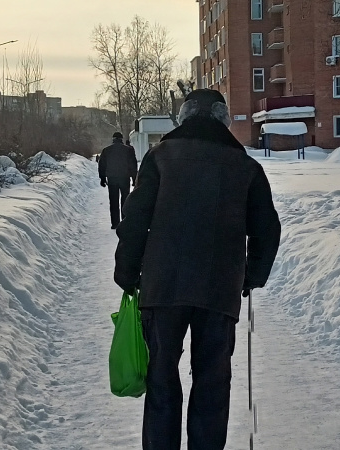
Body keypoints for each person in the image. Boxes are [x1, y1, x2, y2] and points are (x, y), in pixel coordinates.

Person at [113, 89, 281, 450]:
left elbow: (135, 218)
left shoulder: (160, 158)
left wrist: (127, 272)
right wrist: (253, 275)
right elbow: (267, 229)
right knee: (212, 380)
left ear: (184, 118)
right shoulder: (245, 166)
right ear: (224, 120)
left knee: (161, 377)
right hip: (219, 290)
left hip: (162, 287)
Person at [98, 131, 138, 229]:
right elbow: (133, 165)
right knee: (125, 200)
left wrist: (102, 178)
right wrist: (134, 179)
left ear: (113, 139)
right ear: (121, 139)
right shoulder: (128, 150)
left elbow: (102, 165)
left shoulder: (106, 150)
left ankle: (115, 223)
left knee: (113, 201)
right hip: (124, 178)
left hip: (112, 179)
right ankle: (125, 221)